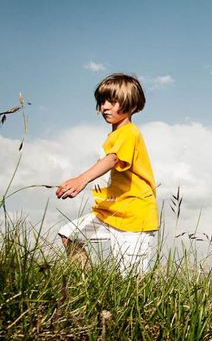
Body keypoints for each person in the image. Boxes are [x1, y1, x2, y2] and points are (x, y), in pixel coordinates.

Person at [56, 73, 159, 274]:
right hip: (111, 212)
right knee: (68, 234)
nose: (105, 107)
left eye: (113, 102)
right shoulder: (115, 136)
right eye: (102, 101)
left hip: (134, 217)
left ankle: (134, 303)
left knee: (132, 283)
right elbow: (107, 163)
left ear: (132, 105)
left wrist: (81, 180)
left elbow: (112, 159)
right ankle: (88, 283)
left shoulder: (130, 133)